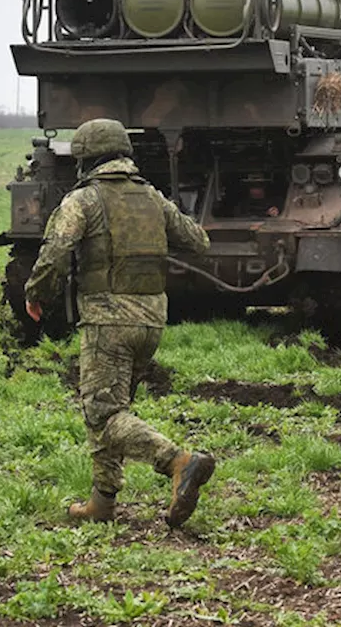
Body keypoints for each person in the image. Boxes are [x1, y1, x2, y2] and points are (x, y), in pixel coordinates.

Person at [24, 118, 214, 527]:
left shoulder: (84, 199)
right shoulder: (151, 197)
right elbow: (198, 241)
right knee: (112, 410)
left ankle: (178, 461)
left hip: (108, 321)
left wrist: (36, 293)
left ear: (85, 160)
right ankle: (102, 503)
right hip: (151, 321)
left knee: (104, 415)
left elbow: (57, 249)